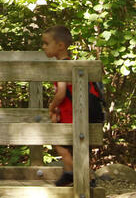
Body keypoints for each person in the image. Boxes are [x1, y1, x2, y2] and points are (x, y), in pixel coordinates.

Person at [42, 25, 102, 187]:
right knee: (72, 148)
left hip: (71, 115)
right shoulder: (70, 64)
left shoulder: (62, 66)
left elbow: (61, 93)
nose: (43, 47)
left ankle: (79, 175)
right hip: (76, 114)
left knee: (60, 143)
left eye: (46, 43)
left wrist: (51, 107)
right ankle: (74, 174)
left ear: (60, 46)